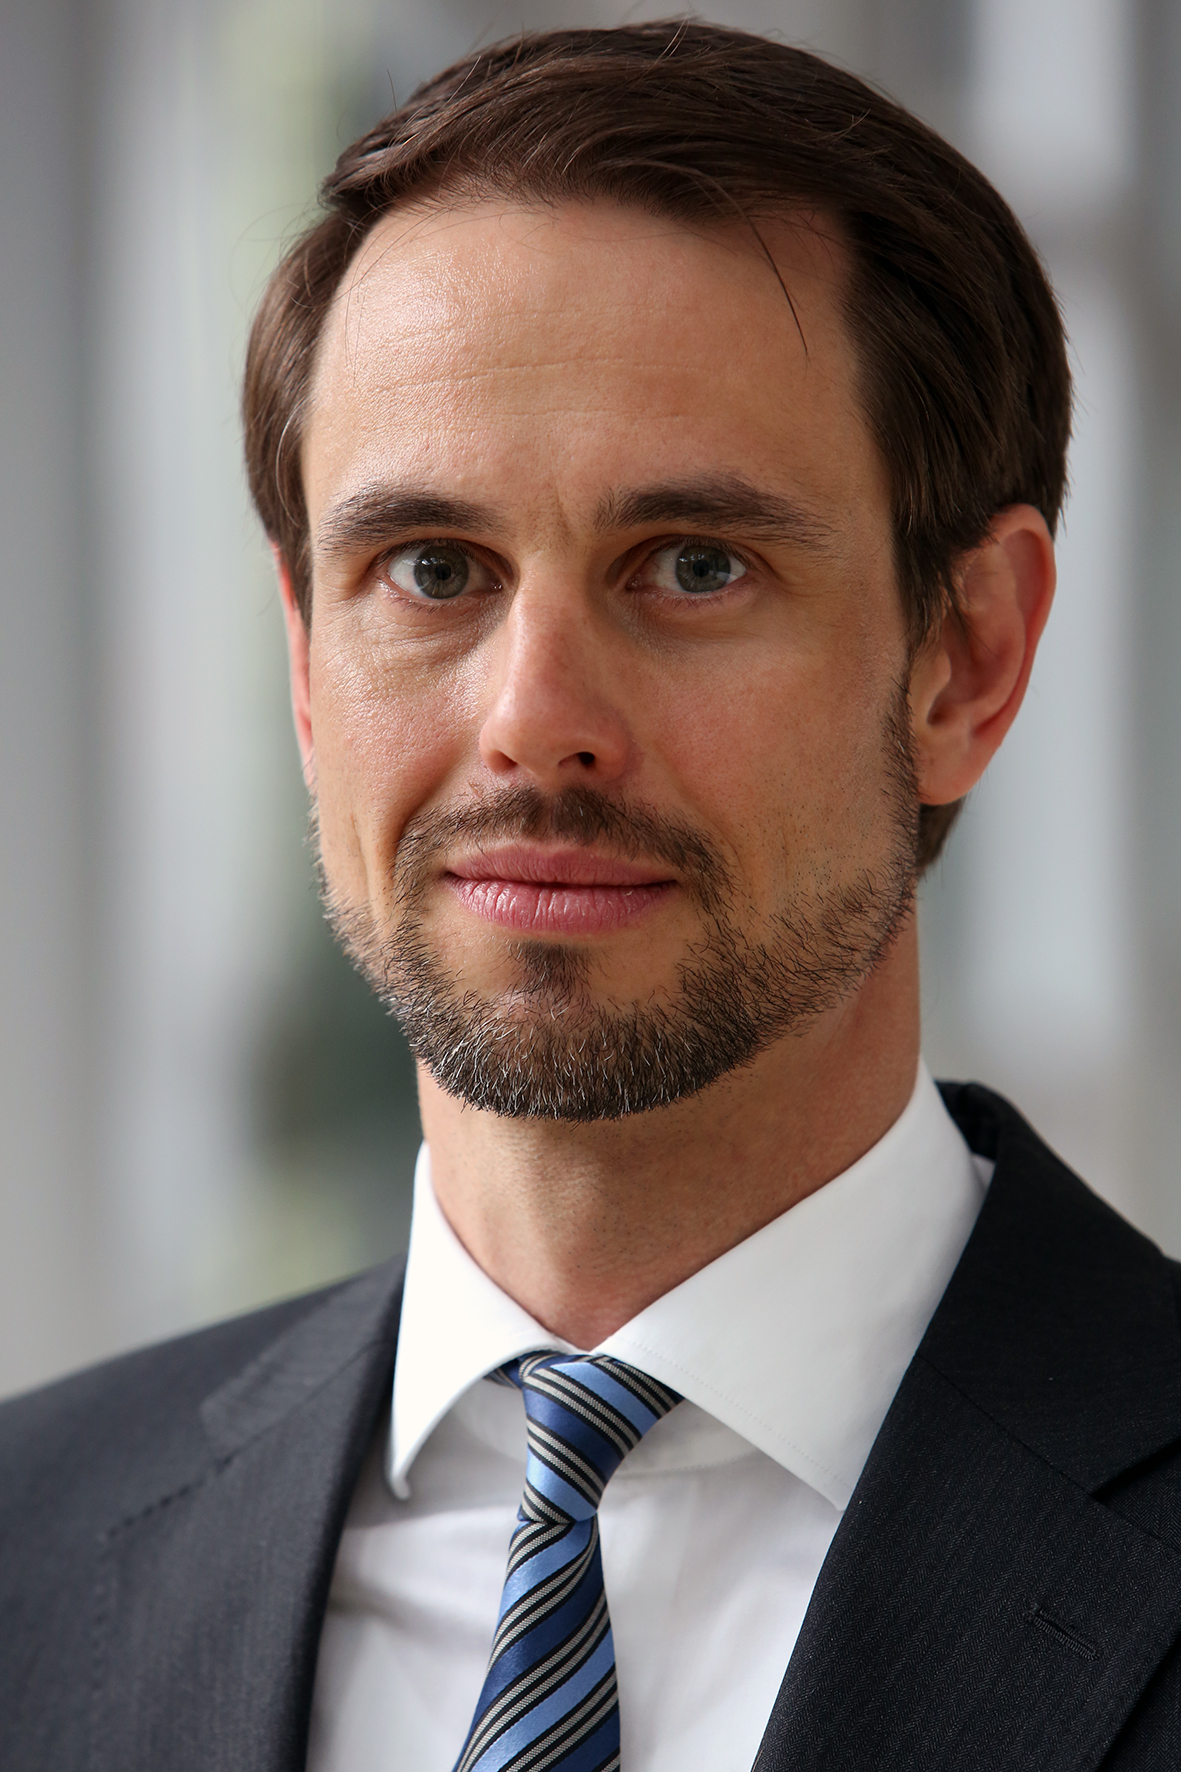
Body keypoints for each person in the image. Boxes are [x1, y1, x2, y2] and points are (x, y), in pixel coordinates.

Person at [4, 20, 1181, 1772]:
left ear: (965, 658)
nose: (533, 718)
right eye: (431, 569)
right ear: (309, 666)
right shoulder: (26, 1557)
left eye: (693, 566)